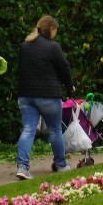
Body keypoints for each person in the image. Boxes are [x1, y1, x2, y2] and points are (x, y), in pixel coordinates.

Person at [14, 15, 74, 180]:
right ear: (51, 30)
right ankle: (61, 164)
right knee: (55, 130)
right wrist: (70, 87)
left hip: (26, 95)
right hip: (49, 95)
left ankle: (23, 166)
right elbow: (64, 68)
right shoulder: (53, 47)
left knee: (28, 130)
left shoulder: (24, 46)